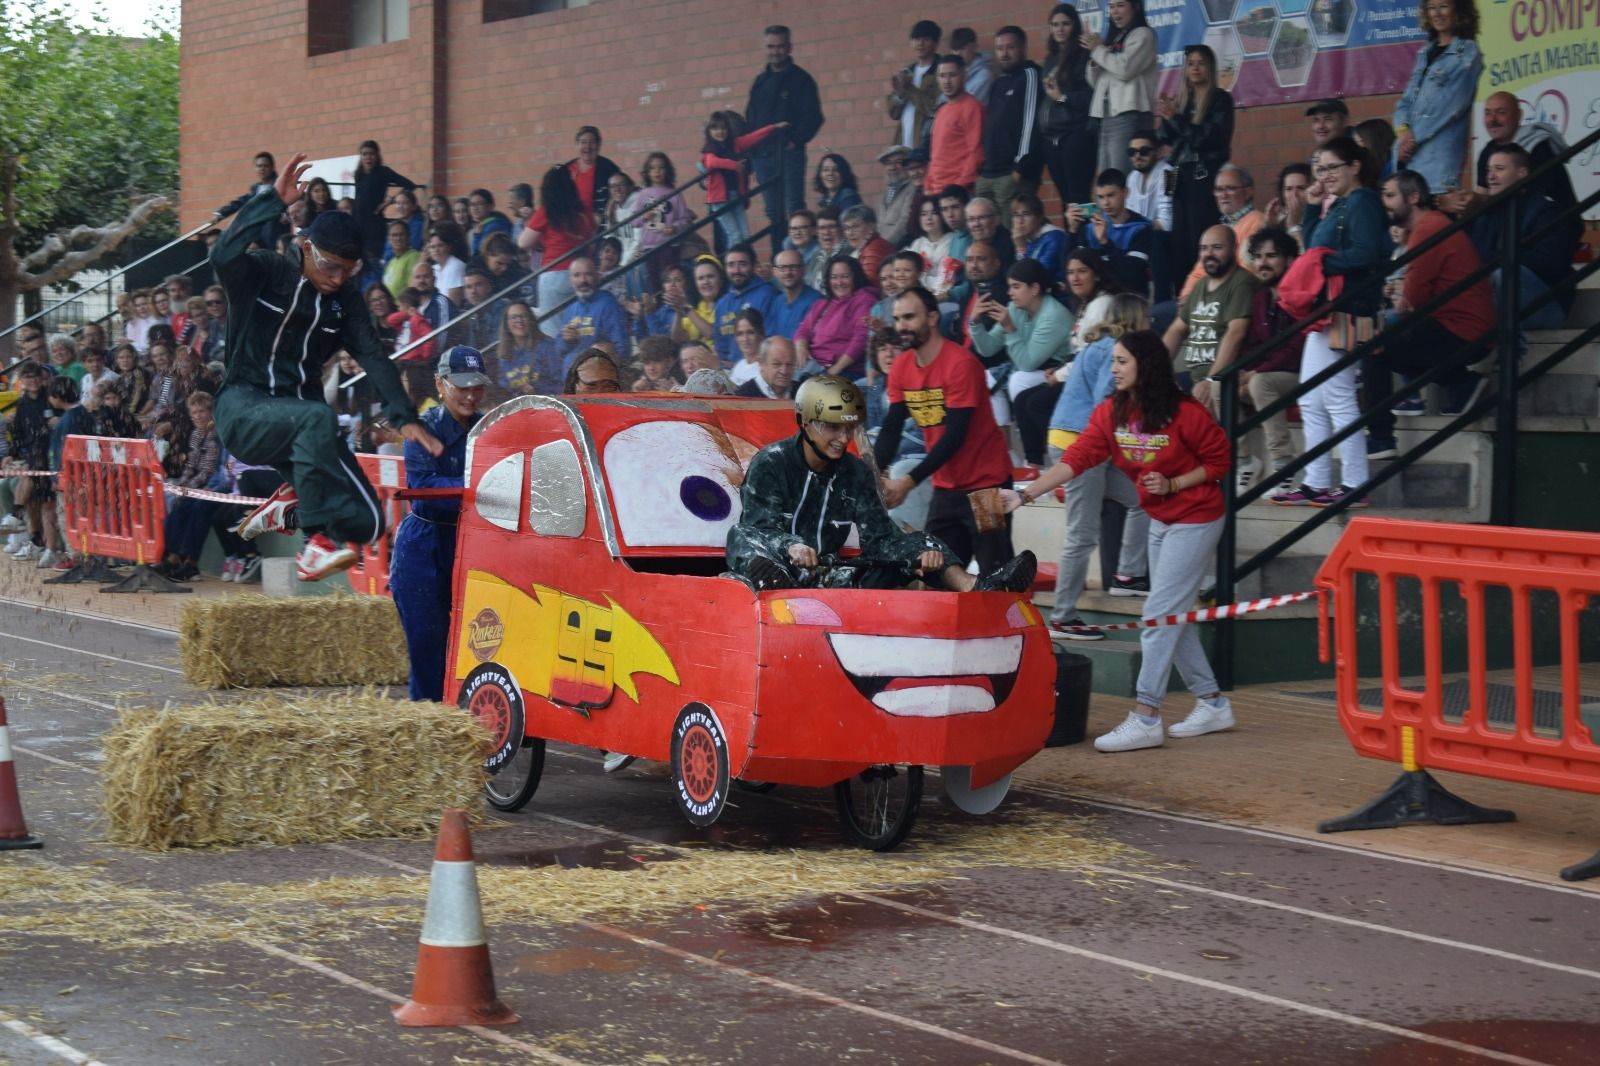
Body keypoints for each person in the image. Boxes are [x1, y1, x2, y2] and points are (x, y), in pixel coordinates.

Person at [210, 152, 442, 582]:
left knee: (371, 523)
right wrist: (268, 201)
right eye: (331, 266)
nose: (338, 278)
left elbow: (373, 354)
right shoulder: (266, 272)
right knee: (319, 416)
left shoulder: (345, 301)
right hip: (243, 409)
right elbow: (223, 257)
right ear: (305, 248)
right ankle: (313, 545)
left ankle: (292, 505)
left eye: (349, 271)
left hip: (301, 421)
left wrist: (404, 416)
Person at [1006, 330, 1234, 752]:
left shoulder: (1186, 413)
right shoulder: (1111, 412)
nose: (1113, 369)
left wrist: (1174, 482)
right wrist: (1022, 495)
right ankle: (1213, 702)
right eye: (1113, 361)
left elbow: (1220, 460)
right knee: (1172, 617)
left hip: (1198, 517)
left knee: (1160, 614)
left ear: (1145, 365)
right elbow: (1077, 459)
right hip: (1161, 519)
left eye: (1121, 361)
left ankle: (1146, 715)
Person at [728, 375, 1035, 593]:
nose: (843, 439)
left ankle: (976, 587)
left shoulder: (856, 473)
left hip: (831, 578)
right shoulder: (772, 462)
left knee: (919, 541)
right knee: (740, 536)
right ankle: (776, 586)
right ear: (806, 424)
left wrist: (918, 557)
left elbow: (880, 540)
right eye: (833, 428)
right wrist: (791, 547)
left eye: (848, 429)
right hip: (778, 569)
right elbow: (760, 528)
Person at [1269, 136, 1382, 509]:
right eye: (1321, 168)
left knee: (1337, 396)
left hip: (1348, 307)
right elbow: (1315, 244)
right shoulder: (1340, 204)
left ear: (1355, 166)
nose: (1327, 174)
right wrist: (1315, 206)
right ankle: (1317, 480)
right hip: (1330, 310)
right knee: (1311, 396)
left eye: (1334, 167)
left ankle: (1354, 482)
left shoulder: (1363, 200)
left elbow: (1368, 253)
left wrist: (1321, 265)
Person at [875, 287, 1020, 573]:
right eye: (897, 319)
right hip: (946, 488)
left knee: (997, 573)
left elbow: (955, 436)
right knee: (936, 573)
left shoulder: (961, 364)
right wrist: (873, 476)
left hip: (987, 486)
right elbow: (891, 428)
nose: (902, 326)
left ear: (932, 318)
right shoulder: (902, 366)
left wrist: (908, 481)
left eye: (909, 317)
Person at [1044, 292, 1154, 636]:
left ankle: (1128, 575)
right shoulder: (1115, 350)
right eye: (1147, 318)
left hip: (1076, 437)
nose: (1151, 324)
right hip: (1082, 443)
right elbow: (1106, 405)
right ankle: (1062, 616)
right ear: (1135, 319)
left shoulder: (1101, 345)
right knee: (1082, 534)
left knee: (1143, 499)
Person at [1364, 170, 1495, 458]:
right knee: (1399, 339)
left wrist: (1402, 293)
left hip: (1462, 329)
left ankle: (1381, 437)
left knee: (1375, 348)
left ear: (1413, 197)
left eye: (1390, 195)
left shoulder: (1427, 229)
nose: (1384, 203)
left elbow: (1411, 300)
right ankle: (1463, 385)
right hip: (1468, 327)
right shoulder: (1432, 225)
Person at [387, 346, 489, 702]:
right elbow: (424, 489)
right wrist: (480, 490)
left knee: (482, 640)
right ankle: (428, 731)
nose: (471, 394)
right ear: (440, 385)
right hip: (424, 546)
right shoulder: (421, 430)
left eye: (477, 385)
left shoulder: (492, 429)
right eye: (462, 386)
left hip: (473, 545)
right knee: (427, 646)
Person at [969, 258, 1073, 465]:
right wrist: (975, 322)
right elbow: (987, 349)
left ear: (1034, 288)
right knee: (987, 378)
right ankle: (1007, 454)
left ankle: (1034, 460)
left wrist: (1009, 328)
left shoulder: (1053, 315)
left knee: (1019, 380)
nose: (1010, 293)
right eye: (1009, 287)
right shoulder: (1015, 309)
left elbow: (1028, 363)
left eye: (1016, 287)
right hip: (1033, 369)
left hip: (1060, 372)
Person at [1468, 143, 1578, 332]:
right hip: (1500, 304)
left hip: (1546, 305)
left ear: (1522, 173)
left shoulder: (1546, 212)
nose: (1491, 176)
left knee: (1504, 275)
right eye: (1489, 170)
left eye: (1499, 169)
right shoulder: (1486, 215)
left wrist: (1499, 261)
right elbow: (1474, 259)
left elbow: (1549, 263)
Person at [1157, 45, 1235, 298]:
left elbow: (1206, 139)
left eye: (1201, 63)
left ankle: (1206, 294)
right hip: (1179, 178)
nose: (1195, 68)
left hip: (1204, 178)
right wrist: (1167, 116)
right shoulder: (1183, 100)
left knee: (1199, 240)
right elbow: (1165, 138)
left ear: (1210, 68)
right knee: (1179, 245)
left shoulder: (1220, 99)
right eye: (1190, 63)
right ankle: (1184, 297)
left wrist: (1176, 120)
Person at [1439, 91, 1579, 227]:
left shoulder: (1538, 147)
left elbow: (1528, 200)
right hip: (1515, 226)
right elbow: (1483, 195)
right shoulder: (1488, 151)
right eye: (1488, 113)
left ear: (1518, 115)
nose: (1492, 120)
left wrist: (1477, 201)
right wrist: (1462, 201)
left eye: (1501, 112)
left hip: (1552, 226)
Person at [746, 25, 825, 254]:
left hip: (789, 155)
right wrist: (751, 156)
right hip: (763, 158)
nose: (776, 51)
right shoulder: (759, 82)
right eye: (771, 46)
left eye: (780, 46)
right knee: (773, 214)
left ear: (789, 47)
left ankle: (802, 259)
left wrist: (795, 142)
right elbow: (750, 120)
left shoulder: (801, 80)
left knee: (794, 210)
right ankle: (779, 261)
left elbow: (814, 117)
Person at [1240, 227, 1307, 493]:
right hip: (1269, 373)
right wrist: (1244, 371)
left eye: (1271, 256)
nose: (1262, 263)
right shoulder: (1260, 297)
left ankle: (1284, 465)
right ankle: (1244, 461)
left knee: (1260, 384)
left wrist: (1257, 372)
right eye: (1258, 256)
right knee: (1220, 386)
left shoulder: (1301, 294)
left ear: (1290, 260)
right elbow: (1252, 344)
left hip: (1300, 373)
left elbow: (1296, 349)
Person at [1392, 0, 1482, 193]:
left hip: (1437, 167)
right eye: (1432, 8)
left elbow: (1448, 106)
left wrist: (1411, 140)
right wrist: (1403, 132)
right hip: (1408, 161)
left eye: (1443, 6)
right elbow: (1406, 101)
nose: (1437, 13)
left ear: (1458, 10)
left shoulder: (1466, 52)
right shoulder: (1424, 52)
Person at [975, 26, 1043, 227]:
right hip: (989, 172)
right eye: (999, 48)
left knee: (1014, 234)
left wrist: (1020, 166)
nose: (1004, 54)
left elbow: (1031, 122)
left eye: (1010, 47)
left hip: (1013, 172)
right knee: (985, 234)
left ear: (1023, 48)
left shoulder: (1030, 75)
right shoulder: (999, 83)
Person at [1085, 0, 1159, 173]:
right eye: (1111, 7)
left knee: (1120, 178)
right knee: (1106, 180)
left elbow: (1125, 69)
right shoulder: (1115, 38)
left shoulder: (1144, 34)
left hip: (1129, 116)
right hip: (1106, 116)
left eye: (1120, 5)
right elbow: (1095, 82)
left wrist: (1098, 50)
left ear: (1136, 7)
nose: (1115, 11)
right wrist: (1096, 58)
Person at [1037, 5, 1097, 211]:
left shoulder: (1084, 55)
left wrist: (1062, 97)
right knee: (1065, 200)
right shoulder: (1050, 58)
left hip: (1076, 133)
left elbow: (1090, 97)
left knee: (1079, 196)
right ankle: (1073, 241)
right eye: (1054, 24)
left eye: (1065, 24)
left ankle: (1086, 241)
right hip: (1051, 137)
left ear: (1075, 25)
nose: (1059, 29)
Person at [519, 164, 597, 318]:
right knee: (581, 326)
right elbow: (592, 240)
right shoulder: (583, 210)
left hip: (553, 272)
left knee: (552, 331)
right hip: (582, 274)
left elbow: (523, 243)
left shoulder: (547, 211)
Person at [702, 111, 787, 249]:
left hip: (735, 195)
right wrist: (734, 165)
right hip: (719, 200)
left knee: (745, 235)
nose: (720, 132)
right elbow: (711, 162)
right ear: (709, 131)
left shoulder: (734, 144)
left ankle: (747, 263)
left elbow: (753, 137)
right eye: (715, 128)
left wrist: (773, 127)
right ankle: (733, 266)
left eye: (723, 128)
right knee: (734, 235)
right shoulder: (710, 149)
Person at [1065, 168, 1154, 296]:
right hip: (1096, 299)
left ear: (1126, 192)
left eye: (1111, 195)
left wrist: (1105, 242)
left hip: (1130, 301)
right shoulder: (1090, 228)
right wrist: (1073, 231)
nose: (1105, 203)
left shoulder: (1142, 228)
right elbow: (1069, 267)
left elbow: (1133, 274)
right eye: (1100, 197)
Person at [794, 255, 876, 380]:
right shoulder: (822, 303)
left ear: (855, 277)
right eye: (834, 277)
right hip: (813, 366)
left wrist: (834, 370)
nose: (839, 282)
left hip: (845, 371)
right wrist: (801, 347)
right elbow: (803, 330)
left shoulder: (864, 299)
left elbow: (860, 340)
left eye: (845, 276)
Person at [553, 257, 630, 372]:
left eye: (588, 274)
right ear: (571, 280)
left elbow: (622, 347)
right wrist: (566, 341)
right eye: (577, 275)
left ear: (597, 277)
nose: (582, 280)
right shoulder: (570, 308)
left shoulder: (607, 303)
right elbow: (558, 351)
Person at [352, 140, 421, 266]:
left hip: (374, 222)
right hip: (359, 221)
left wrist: (390, 201)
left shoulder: (383, 172)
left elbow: (409, 185)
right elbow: (357, 198)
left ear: (377, 155)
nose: (368, 157)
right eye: (364, 154)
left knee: (374, 258)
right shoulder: (358, 174)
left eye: (371, 154)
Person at [925, 56, 985, 198]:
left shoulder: (972, 107)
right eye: (942, 76)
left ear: (965, 75)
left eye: (952, 75)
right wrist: (928, 185)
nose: (946, 81)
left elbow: (976, 153)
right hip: (936, 191)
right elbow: (935, 155)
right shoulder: (941, 110)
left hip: (959, 192)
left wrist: (960, 187)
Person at [712, 244, 779, 364]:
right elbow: (720, 348)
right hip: (731, 372)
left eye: (742, 264)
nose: (736, 271)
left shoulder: (768, 294)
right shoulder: (721, 304)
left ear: (754, 266)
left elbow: (771, 339)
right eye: (731, 265)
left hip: (761, 368)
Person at [211, 151, 287, 250]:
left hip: (274, 230)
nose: (262, 169)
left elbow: (289, 203)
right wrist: (221, 214)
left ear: (272, 167)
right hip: (257, 233)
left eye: (265, 166)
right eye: (259, 166)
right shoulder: (255, 189)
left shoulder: (280, 186)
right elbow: (240, 202)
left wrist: (285, 214)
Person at [886, 20, 943, 149]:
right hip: (903, 145)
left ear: (935, 43)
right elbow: (893, 113)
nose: (920, 44)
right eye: (916, 39)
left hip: (927, 146)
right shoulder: (907, 71)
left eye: (926, 39)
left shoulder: (941, 71)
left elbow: (934, 109)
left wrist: (909, 88)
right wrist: (899, 95)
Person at [497, 300, 563, 397]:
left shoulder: (548, 347)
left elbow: (561, 384)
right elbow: (503, 390)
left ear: (531, 320)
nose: (519, 320)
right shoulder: (504, 356)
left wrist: (536, 392)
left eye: (523, 316)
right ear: (507, 325)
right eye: (514, 317)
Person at [1010, 192, 1067, 285]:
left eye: (1026, 214)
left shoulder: (1054, 238)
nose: (1020, 221)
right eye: (1016, 215)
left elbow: (1034, 277)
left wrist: (1021, 249)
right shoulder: (1025, 239)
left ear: (1039, 217)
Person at [568, 126, 622, 222]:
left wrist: (612, 203)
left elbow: (622, 187)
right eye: (583, 142)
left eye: (592, 142)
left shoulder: (608, 168)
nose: (587, 147)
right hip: (572, 223)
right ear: (577, 145)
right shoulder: (567, 169)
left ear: (598, 145)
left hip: (600, 223)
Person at [765, 249, 822, 339]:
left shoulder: (816, 302)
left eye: (793, 267)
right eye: (782, 268)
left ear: (803, 270)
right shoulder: (777, 302)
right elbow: (771, 337)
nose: (788, 272)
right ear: (774, 272)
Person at [875, 146, 917, 247]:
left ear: (907, 165)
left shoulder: (912, 189)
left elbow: (904, 223)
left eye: (898, 162)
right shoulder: (886, 193)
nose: (892, 167)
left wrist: (884, 246)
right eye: (888, 163)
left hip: (901, 248)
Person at [843, 205, 894, 284]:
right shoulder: (863, 248)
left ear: (871, 226)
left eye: (855, 226)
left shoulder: (875, 248)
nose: (850, 233)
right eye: (847, 228)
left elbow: (869, 283)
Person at [950, 26, 995, 107]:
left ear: (974, 47)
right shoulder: (955, 72)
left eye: (962, 48)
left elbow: (966, 105)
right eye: (955, 50)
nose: (958, 54)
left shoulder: (984, 75)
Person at [465, 189, 514, 258]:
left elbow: (479, 255)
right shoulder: (481, 225)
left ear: (491, 206)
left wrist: (477, 236)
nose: (475, 208)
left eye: (479, 204)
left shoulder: (495, 226)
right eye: (472, 204)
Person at [381, 220, 421, 303]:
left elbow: (411, 289)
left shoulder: (414, 256)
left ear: (408, 236)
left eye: (401, 234)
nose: (398, 238)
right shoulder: (391, 262)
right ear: (389, 239)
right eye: (394, 235)